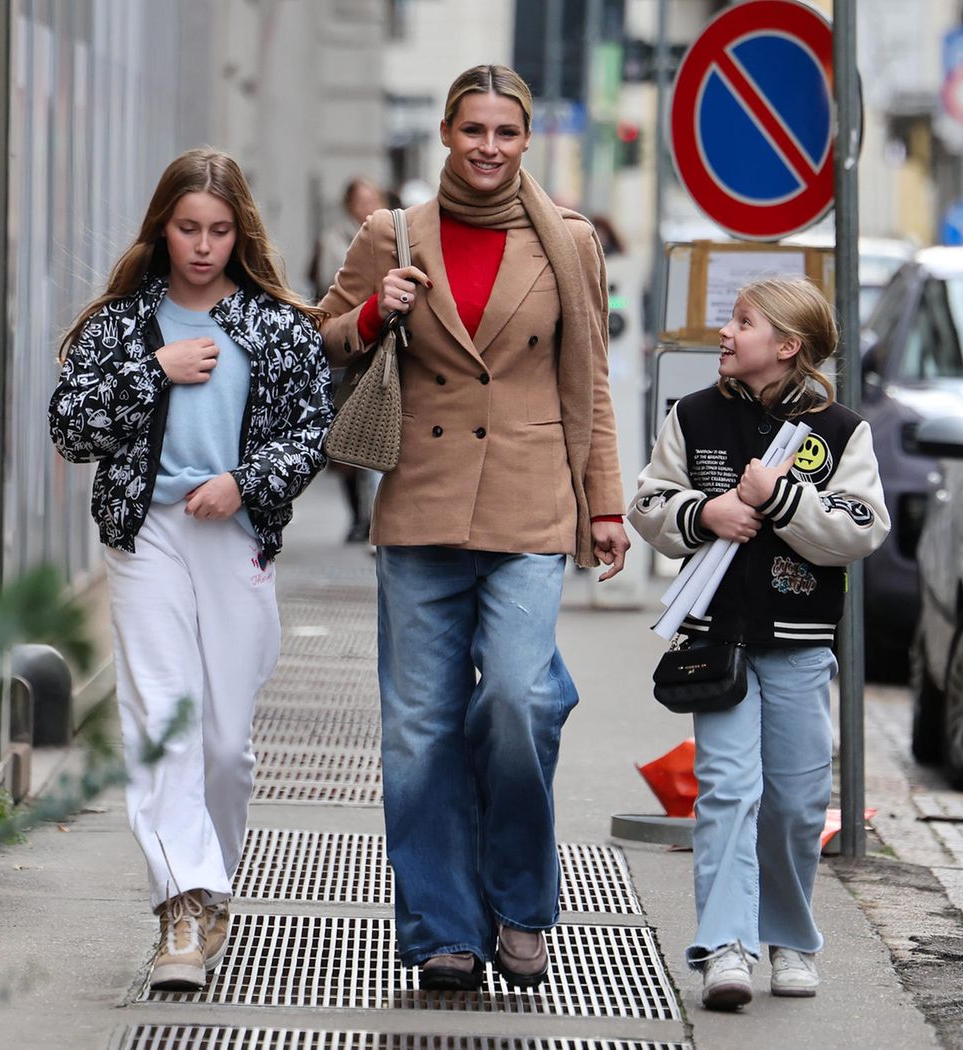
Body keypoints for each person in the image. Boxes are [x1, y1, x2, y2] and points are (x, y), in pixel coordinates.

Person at [316, 63, 630, 991]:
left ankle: (522, 903)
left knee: (519, 700)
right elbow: (320, 336)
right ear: (446, 135)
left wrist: (605, 504)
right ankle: (444, 931)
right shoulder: (395, 232)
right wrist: (379, 311)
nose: (489, 148)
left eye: (506, 132)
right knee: (420, 728)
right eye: (473, 131)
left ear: (526, 140)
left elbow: (591, 380)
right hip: (421, 498)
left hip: (532, 501)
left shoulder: (570, 242)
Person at [48, 148, 331, 992]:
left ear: (239, 232)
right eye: (187, 229)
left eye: (217, 230)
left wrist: (244, 483)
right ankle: (181, 902)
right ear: (162, 229)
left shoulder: (277, 326)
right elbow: (70, 427)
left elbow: (313, 433)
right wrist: (154, 374)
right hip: (146, 537)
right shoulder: (123, 325)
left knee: (222, 746)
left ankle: (211, 891)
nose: (202, 246)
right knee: (165, 718)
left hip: (236, 535)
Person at [627, 277, 890, 1010]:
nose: (725, 332)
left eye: (743, 323)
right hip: (720, 642)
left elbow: (863, 525)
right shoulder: (694, 415)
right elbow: (648, 500)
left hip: (802, 643)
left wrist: (781, 500)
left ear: (786, 346)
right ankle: (725, 946)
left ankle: (789, 937)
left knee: (798, 802)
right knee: (727, 792)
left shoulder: (841, 431)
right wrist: (706, 512)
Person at [313, 177, 389, 543]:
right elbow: (331, 293)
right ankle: (359, 515)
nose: (368, 205)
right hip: (350, 346)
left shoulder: (396, 235)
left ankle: (372, 515)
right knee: (345, 435)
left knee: (378, 432)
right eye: (361, 199)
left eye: (374, 198)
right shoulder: (336, 239)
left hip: (384, 350)